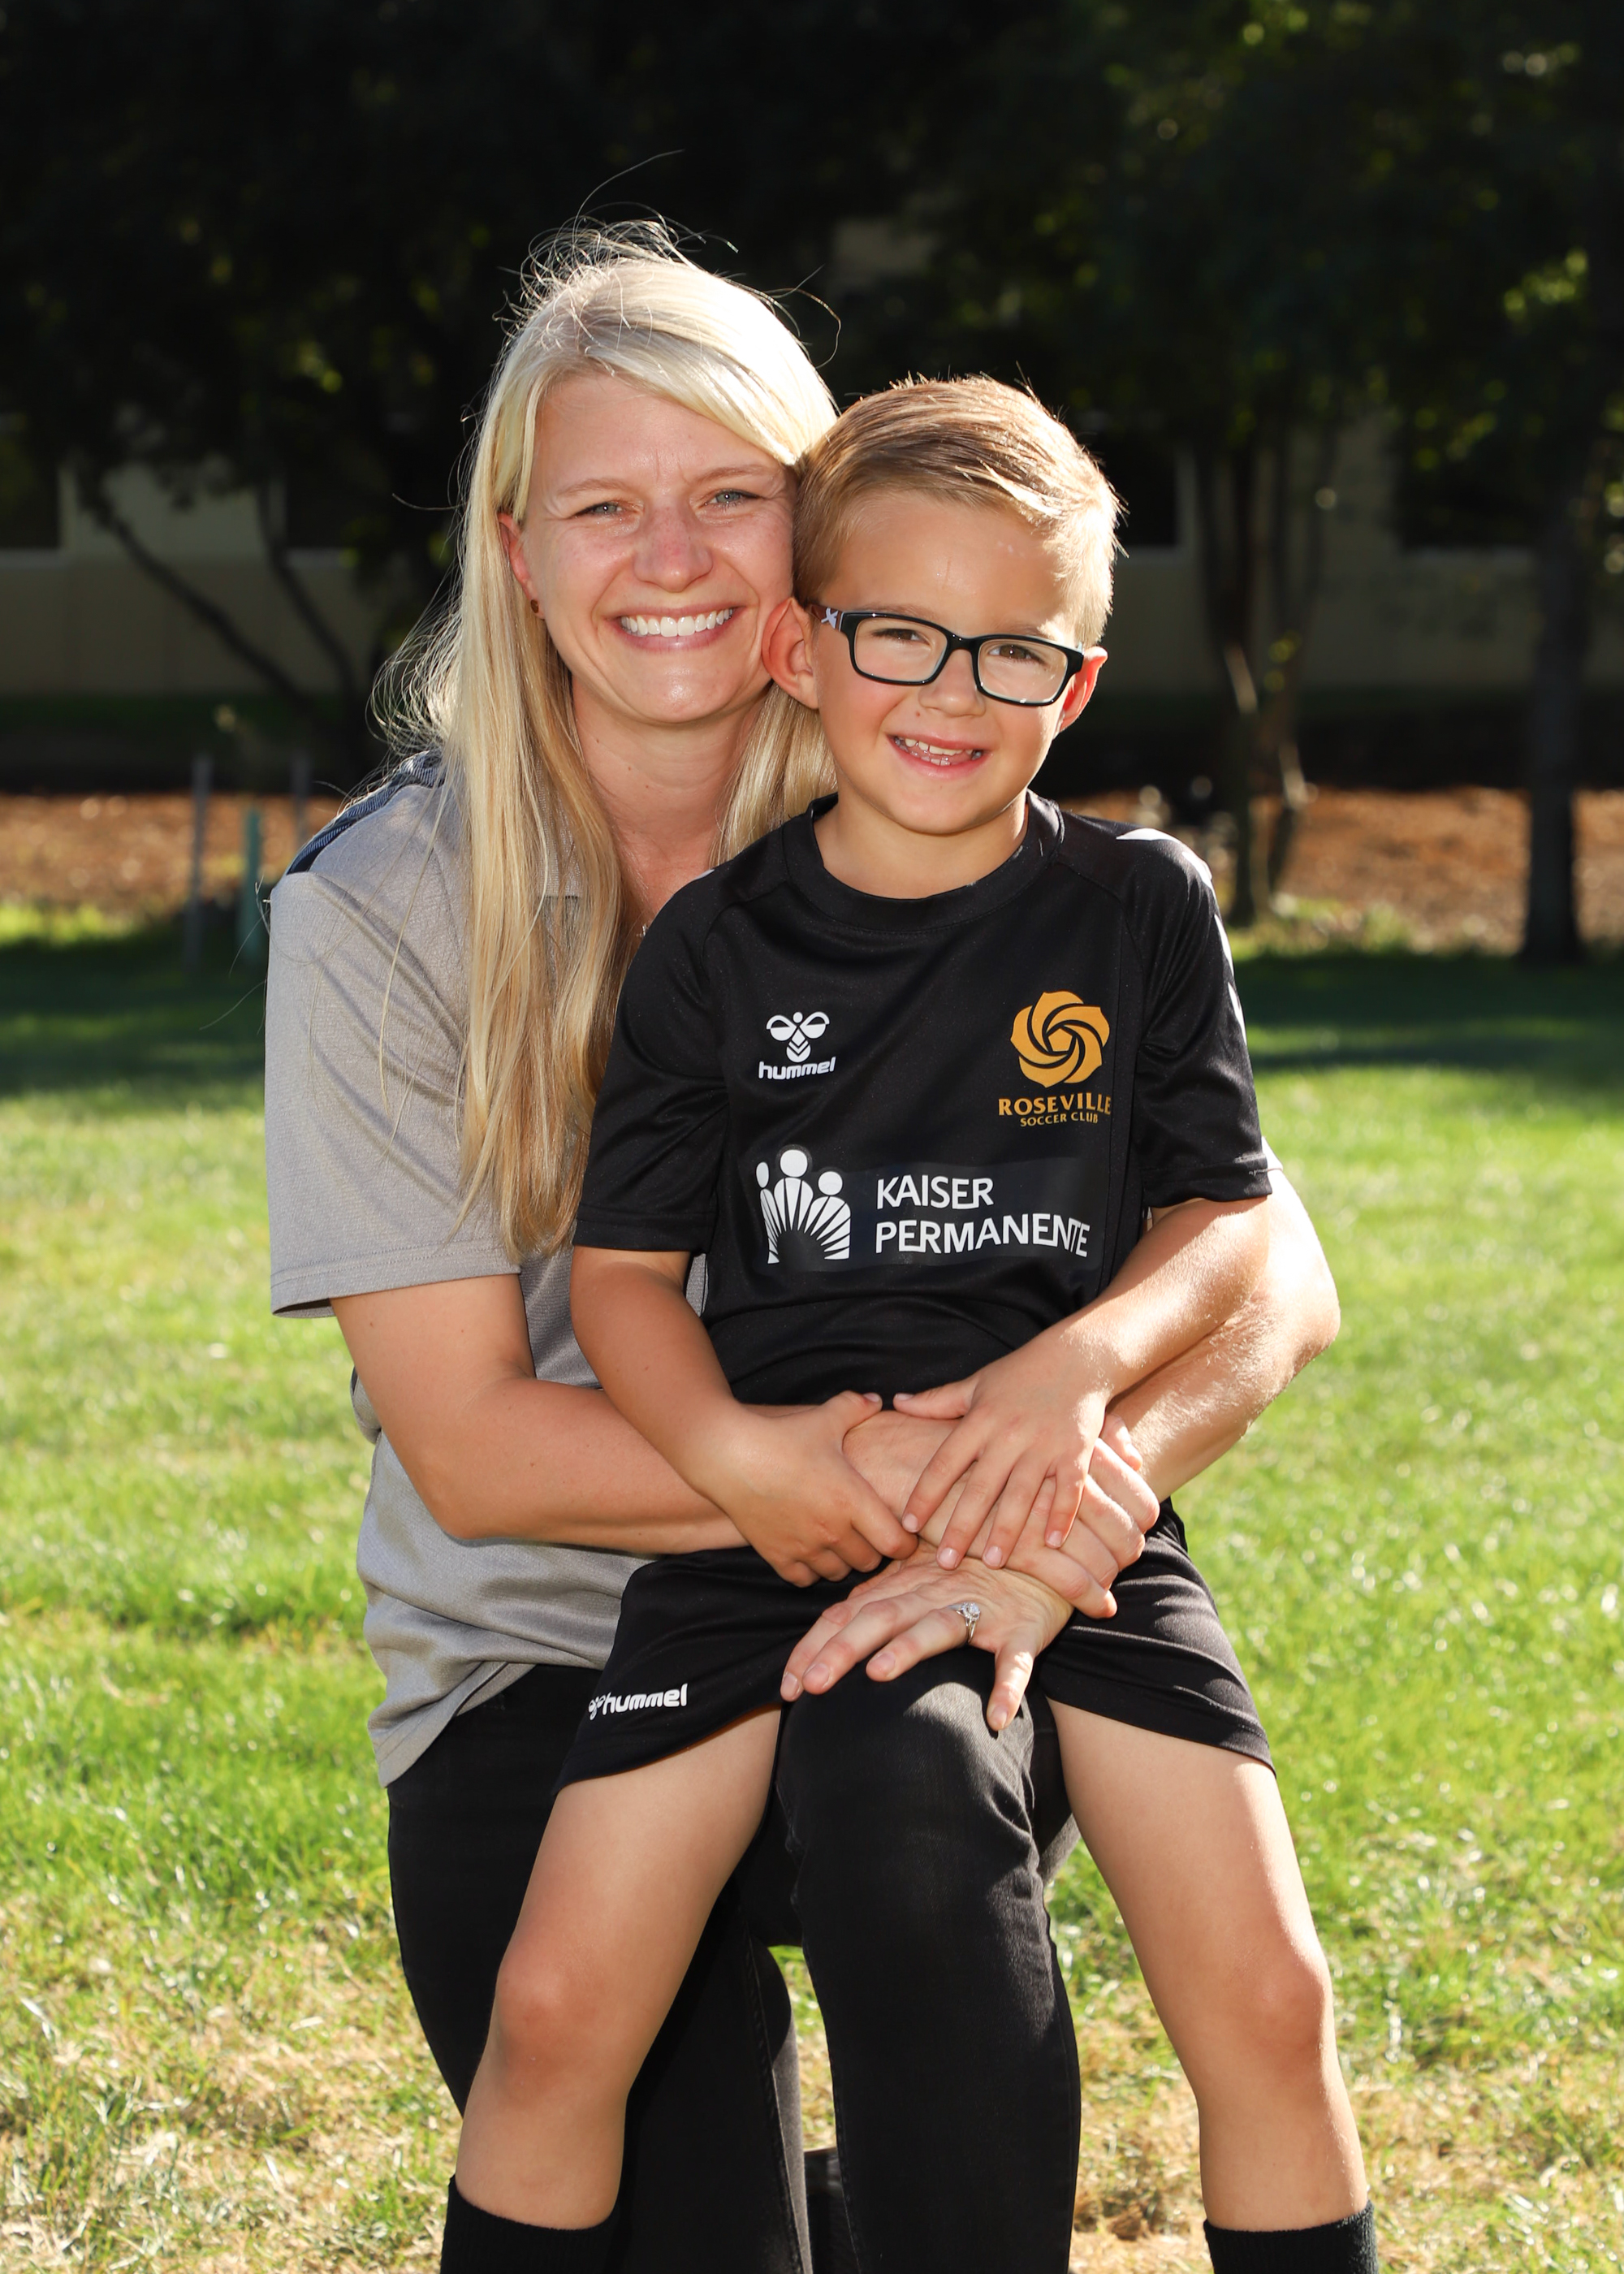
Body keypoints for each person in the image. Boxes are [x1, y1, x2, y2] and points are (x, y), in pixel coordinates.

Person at [266, 229, 1344, 2274]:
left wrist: (1050, 1499)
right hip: (548, 1644)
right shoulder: (383, 907)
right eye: (603, 505)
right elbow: (477, 1449)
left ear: (813, 541)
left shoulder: (946, 788)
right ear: (514, 547)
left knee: (919, 1798)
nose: (668, 555)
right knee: (647, 2155)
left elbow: (1266, 1263)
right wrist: (880, 1470)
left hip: (952, 1585)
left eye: (727, 494)